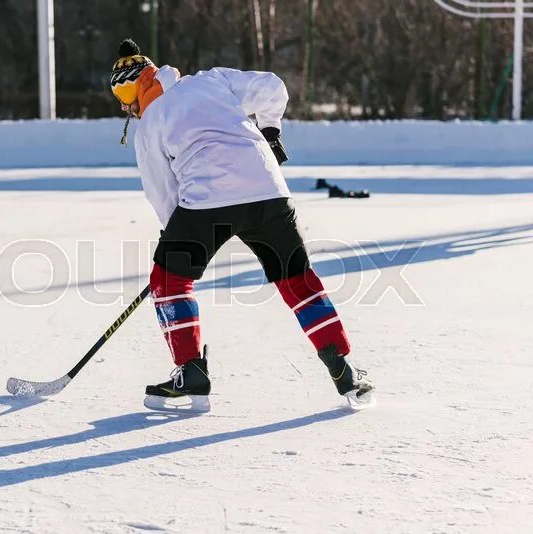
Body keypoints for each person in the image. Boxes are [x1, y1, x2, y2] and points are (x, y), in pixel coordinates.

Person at [109, 39, 373, 412]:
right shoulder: (210, 81)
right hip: (269, 190)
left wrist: (173, 239)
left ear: (133, 89)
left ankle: (191, 373)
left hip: (207, 201)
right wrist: (270, 131)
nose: (125, 106)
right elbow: (272, 88)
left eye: (122, 95)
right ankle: (343, 367)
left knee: (168, 281)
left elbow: (162, 191)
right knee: (296, 278)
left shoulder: (150, 122)